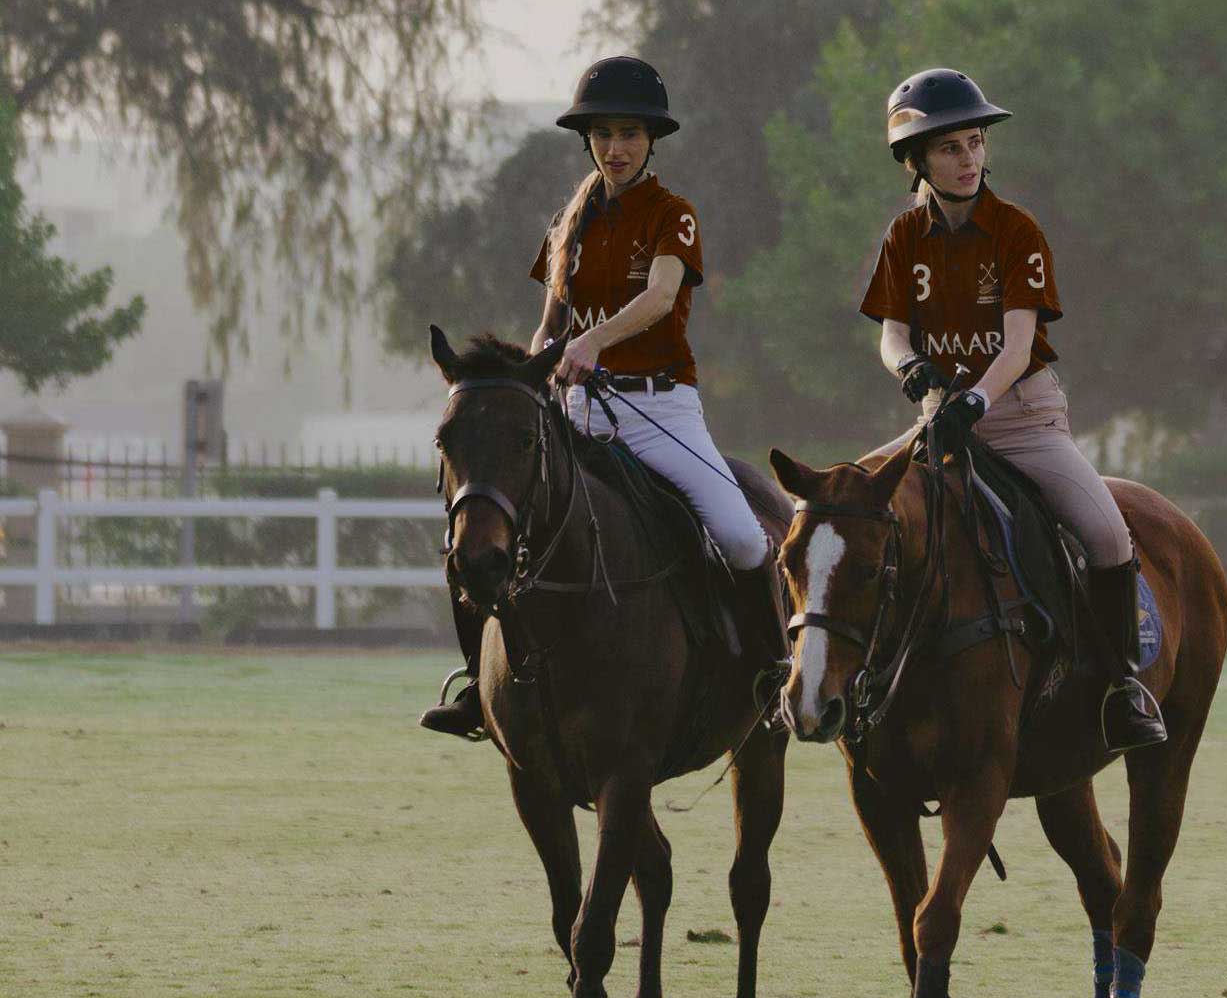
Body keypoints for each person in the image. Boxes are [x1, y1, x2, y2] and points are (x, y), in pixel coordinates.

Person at [420, 55, 772, 737]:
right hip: (570, 413)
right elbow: (551, 325)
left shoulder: (674, 215)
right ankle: (477, 689)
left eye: (631, 135)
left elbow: (661, 298)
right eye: (605, 134)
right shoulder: (567, 225)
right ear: (588, 139)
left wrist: (595, 342)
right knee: (479, 532)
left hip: (658, 410)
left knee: (741, 536)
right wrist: (534, 370)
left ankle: (768, 669)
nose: (616, 148)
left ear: (651, 141)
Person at [859, 67, 1167, 753]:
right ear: (917, 160)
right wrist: (911, 369)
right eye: (950, 149)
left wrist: (973, 399)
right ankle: (855, 680)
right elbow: (891, 332)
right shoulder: (903, 236)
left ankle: (1122, 687)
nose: (968, 160)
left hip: (1022, 420)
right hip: (941, 421)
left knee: (1110, 538)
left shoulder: (1014, 228)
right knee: (851, 509)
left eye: (974, 144)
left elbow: (1020, 341)